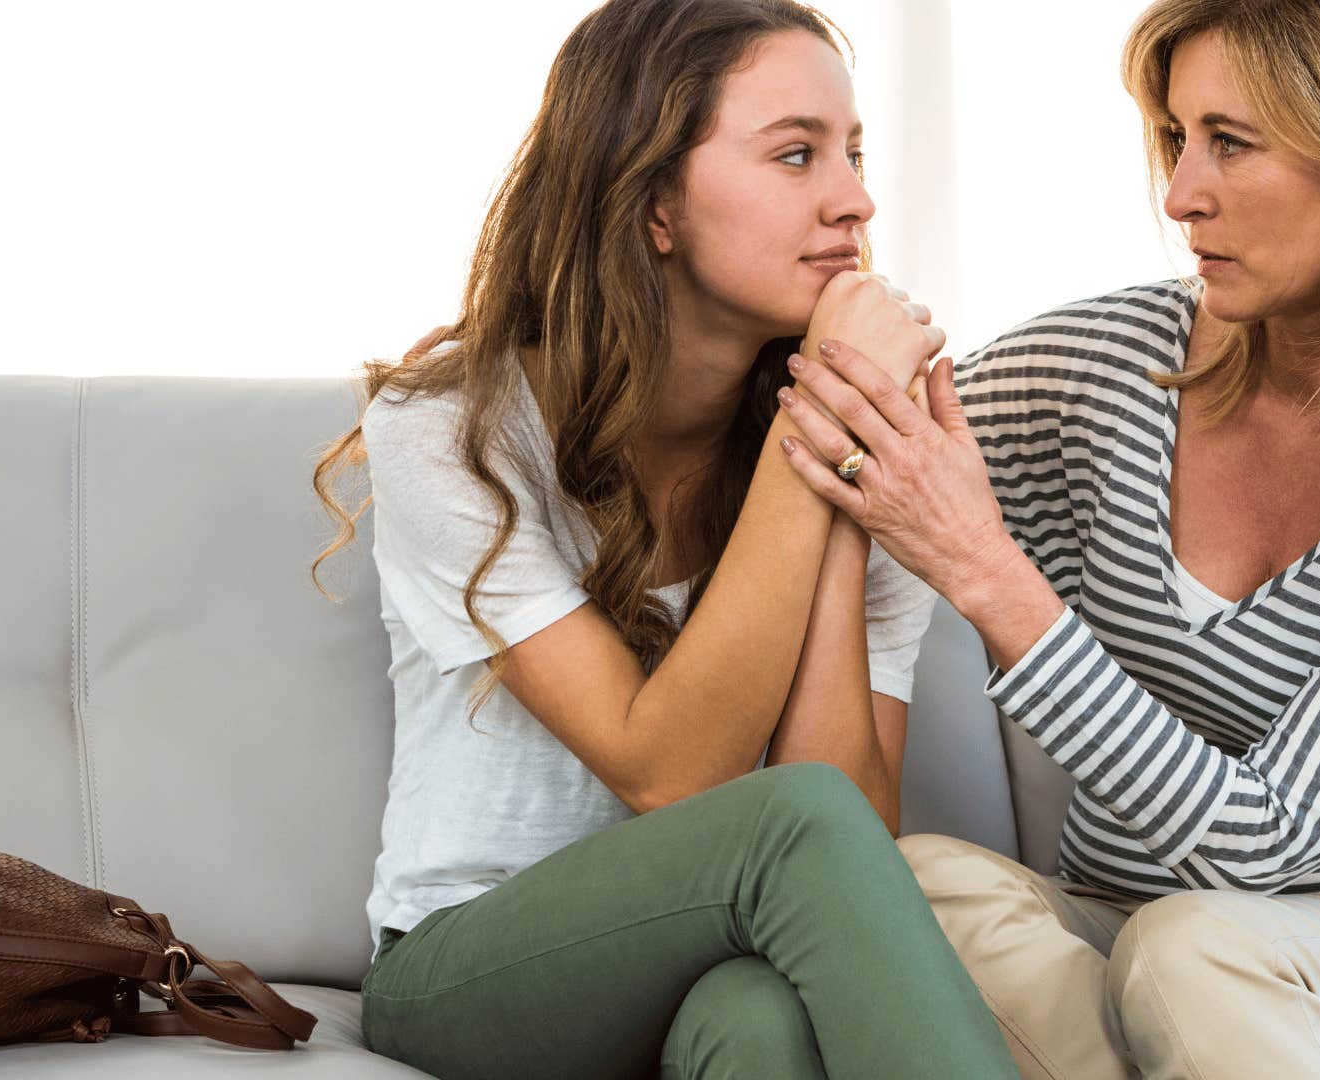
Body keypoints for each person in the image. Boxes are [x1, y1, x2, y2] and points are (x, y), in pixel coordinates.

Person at [773, 0, 1320, 1077]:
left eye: (1231, 142)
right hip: (1126, 914)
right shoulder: (1108, 369)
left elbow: (1260, 846)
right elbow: (856, 433)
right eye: (1178, 139)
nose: (1181, 195)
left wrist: (987, 574)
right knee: (909, 886)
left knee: (1196, 952)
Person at [309, 1, 1017, 1077]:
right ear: (654, 207)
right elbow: (672, 776)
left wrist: (836, 476)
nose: (857, 199)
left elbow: (854, 828)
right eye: (796, 154)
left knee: (764, 1026)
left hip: (712, 962)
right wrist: (810, 434)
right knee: (790, 827)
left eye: (856, 152)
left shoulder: (855, 434)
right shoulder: (450, 431)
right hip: (467, 971)